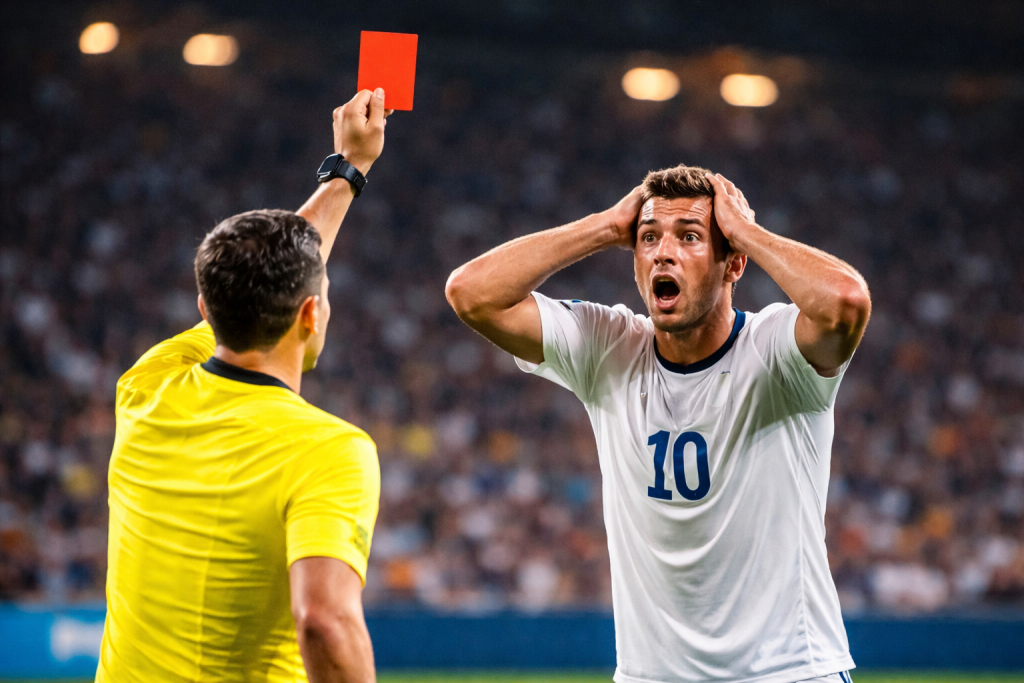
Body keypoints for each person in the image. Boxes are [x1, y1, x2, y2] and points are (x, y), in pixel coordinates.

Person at [446, 165, 871, 683]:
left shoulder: (776, 351)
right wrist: (605, 226)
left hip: (789, 672)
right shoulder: (609, 347)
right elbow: (471, 293)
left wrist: (747, 232)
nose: (662, 253)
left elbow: (846, 303)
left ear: (733, 262)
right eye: (648, 238)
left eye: (689, 237)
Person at [97, 89, 392, 683]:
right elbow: (324, 622)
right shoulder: (331, 451)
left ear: (204, 310)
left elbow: (274, 267)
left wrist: (348, 170)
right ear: (311, 315)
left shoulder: (146, 386)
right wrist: (349, 167)